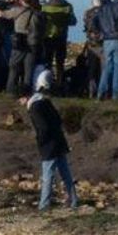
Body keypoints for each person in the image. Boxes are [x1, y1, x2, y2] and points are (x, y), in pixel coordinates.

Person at [25, 71, 77, 211]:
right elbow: (58, 120)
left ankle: (44, 205)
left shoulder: (34, 107)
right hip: (59, 141)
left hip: (49, 145)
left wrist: (40, 141)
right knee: (65, 173)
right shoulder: (45, 101)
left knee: (48, 176)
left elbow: (43, 128)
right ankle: (74, 200)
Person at [92, 0, 118, 100]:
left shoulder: (104, 7)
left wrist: (99, 33)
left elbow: (94, 21)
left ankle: (101, 93)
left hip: (106, 40)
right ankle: (116, 94)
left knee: (107, 67)